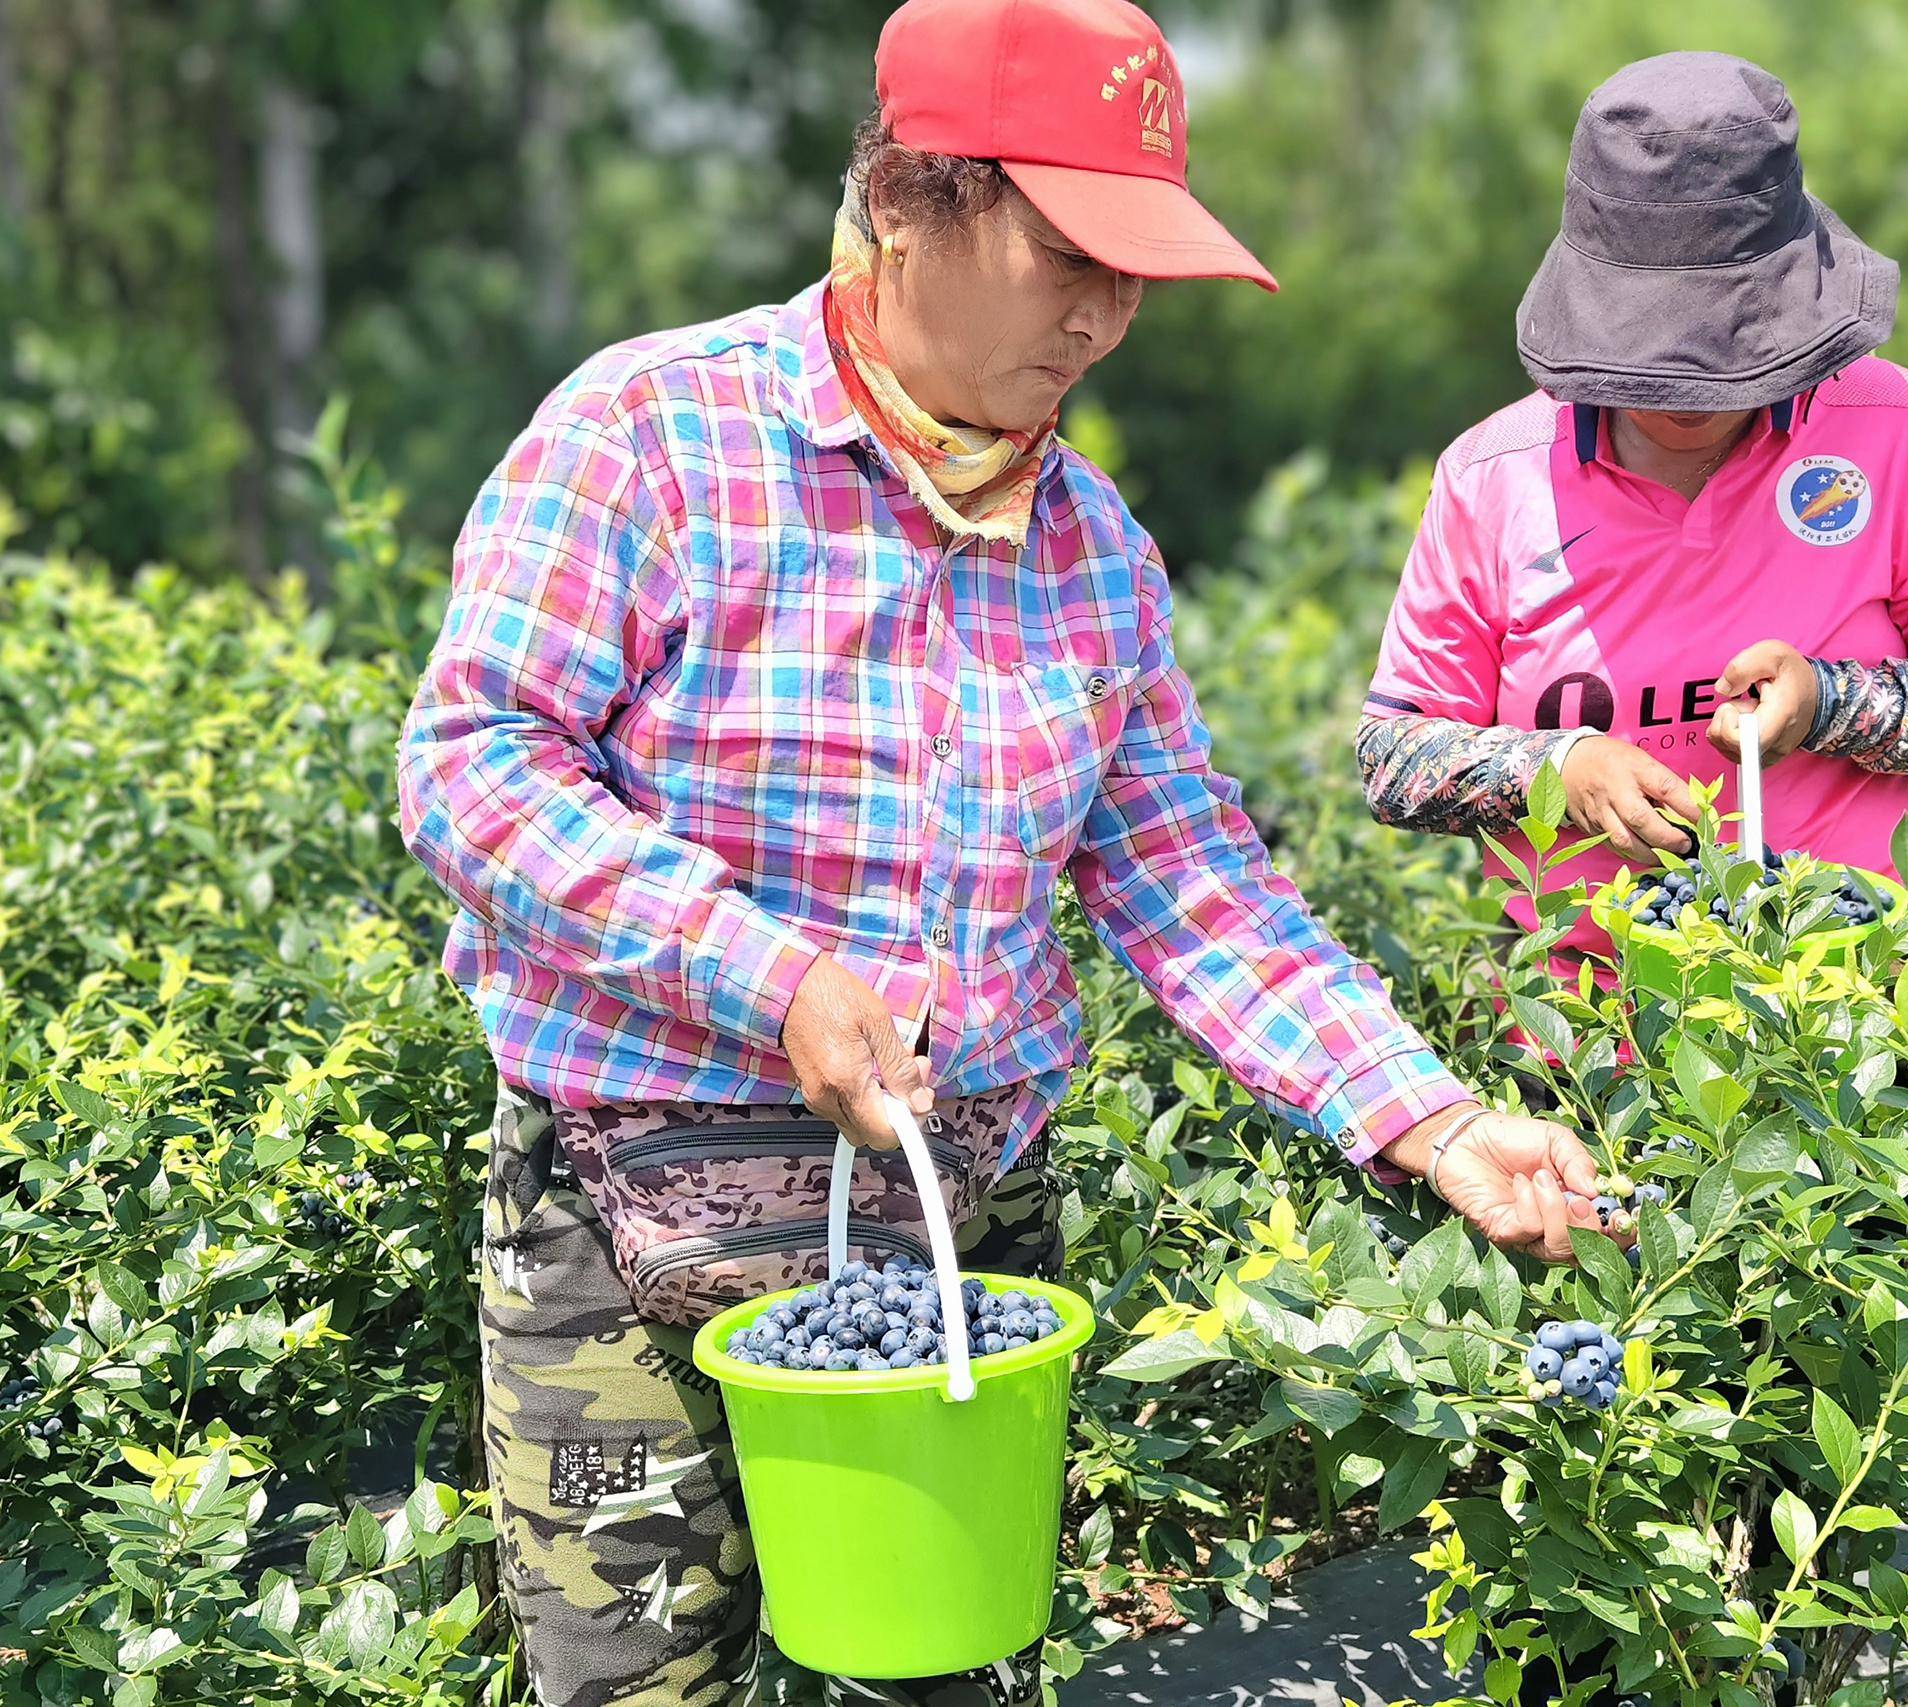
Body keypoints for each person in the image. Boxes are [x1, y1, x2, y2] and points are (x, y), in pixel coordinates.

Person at [396, 3, 1608, 1702]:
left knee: (939, 1675)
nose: (1105, 317)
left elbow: (1195, 886)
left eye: (1135, 275)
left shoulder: (1089, 543)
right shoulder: (651, 438)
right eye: (1068, 257)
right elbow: (475, 766)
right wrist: (775, 978)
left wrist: (1435, 1120)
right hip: (630, 1224)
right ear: (909, 203)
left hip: (956, 1232)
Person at [1358, 52, 1908, 988]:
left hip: (1860, 1009)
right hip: (1588, 1032)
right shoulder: (1492, 478)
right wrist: (1557, 769)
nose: (1683, 393)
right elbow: (1394, 753)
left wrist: (1830, 703)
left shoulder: (1901, 432)